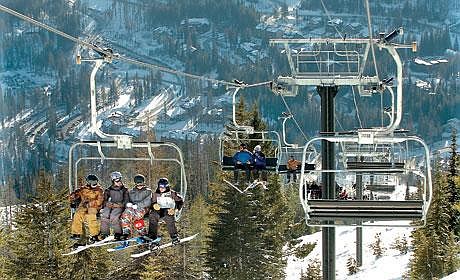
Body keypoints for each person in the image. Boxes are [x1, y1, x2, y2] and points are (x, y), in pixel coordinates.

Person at [69, 174, 104, 244]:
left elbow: (99, 201)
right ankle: (76, 233)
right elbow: (74, 194)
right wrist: (73, 199)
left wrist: (90, 203)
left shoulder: (99, 190)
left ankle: (95, 235)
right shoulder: (83, 189)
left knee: (90, 217)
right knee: (77, 215)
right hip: (83, 206)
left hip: (93, 207)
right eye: (92, 182)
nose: (94, 184)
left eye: (95, 182)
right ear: (88, 182)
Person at [148, 178, 184, 245]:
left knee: (169, 217)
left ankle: (174, 236)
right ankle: (152, 237)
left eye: (163, 187)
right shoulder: (155, 194)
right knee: (152, 216)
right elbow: (151, 203)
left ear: (166, 186)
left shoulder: (172, 193)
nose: (161, 188)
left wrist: (175, 209)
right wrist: (154, 205)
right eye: (160, 186)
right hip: (158, 210)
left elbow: (180, 201)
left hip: (168, 210)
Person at [120, 174, 152, 241]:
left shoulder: (148, 191)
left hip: (143, 208)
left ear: (143, 183)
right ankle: (126, 232)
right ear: (135, 183)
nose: (140, 186)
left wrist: (138, 205)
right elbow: (127, 200)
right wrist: (128, 204)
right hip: (133, 208)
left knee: (135, 216)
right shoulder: (131, 192)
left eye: (141, 183)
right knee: (125, 214)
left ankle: (143, 234)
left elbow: (148, 201)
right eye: (138, 184)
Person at [100, 171, 129, 241]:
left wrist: (119, 205)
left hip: (119, 206)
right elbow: (105, 200)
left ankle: (118, 233)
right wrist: (108, 204)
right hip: (110, 205)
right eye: (116, 181)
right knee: (104, 214)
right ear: (113, 181)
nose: (118, 182)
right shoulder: (109, 190)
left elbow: (126, 201)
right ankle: (105, 233)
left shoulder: (124, 190)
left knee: (114, 216)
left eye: (119, 180)